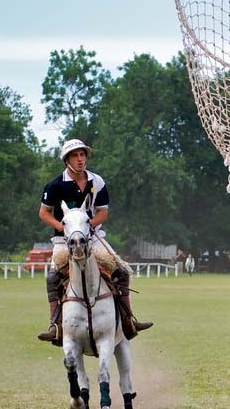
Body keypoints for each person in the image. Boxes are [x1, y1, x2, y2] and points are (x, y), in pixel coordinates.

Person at [37, 139, 153, 343]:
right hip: (64, 241)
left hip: (93, 237)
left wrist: (87, 226)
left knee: (121, 271)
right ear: (66, 160)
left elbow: (103, 212)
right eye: (75, 155)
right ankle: (56, 325)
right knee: (53, 278)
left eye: (82, 155)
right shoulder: (55, 185)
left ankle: (128, 320)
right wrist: (63, 227)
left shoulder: (96, 181)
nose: (80, 159)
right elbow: (44, 212)